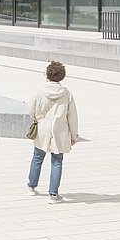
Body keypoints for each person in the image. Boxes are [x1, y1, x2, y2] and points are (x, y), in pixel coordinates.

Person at [26, 60, 80, 204]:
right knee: (57, 161)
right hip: (60, 130)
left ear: (47, 75)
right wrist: (74, 135)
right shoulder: (66, 93)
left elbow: (31, 108)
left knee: (37, 157)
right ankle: (53, 194)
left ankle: (31, 186)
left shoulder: (39, 90)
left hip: (43, 127)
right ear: (61, 76)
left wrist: (36, 119)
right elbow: (72, 116)